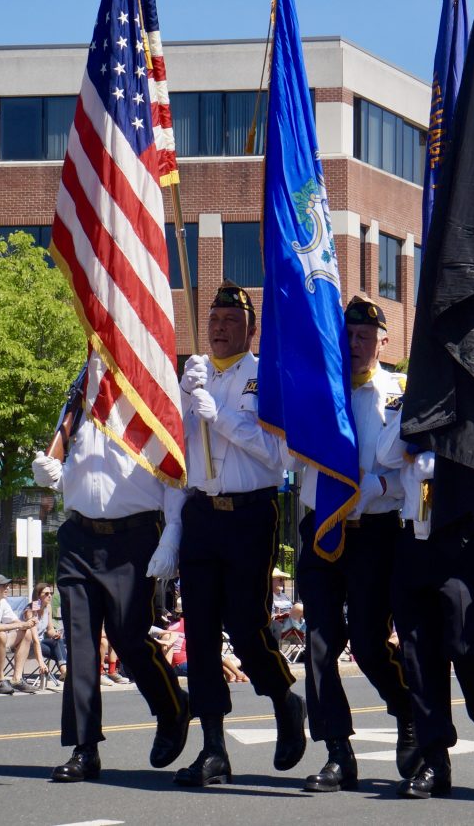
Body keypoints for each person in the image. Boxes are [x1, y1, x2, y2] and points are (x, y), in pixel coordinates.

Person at [148, 281, 306, 788]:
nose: (219, 329)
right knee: (199, 632)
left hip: (249, 514)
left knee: (246, 626)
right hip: (200, 516)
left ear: (250, 331)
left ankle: (285, 698)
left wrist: (226, 423)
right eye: (214, 322)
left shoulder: (265, 379)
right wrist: (181, 399)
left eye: (230, 323)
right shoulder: (191, 378)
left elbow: (280, 457)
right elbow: (175, 459)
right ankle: (213, 749)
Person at [31, 354, 190, 783]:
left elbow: (174, 472)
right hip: (79, 535)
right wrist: (54, 475)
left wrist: (172, 533)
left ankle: (173, 707)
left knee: (128, 637)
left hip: (132, 536)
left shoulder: (147, 397)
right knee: (81, 644)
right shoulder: (80, 395)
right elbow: (80, 468)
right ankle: (85, 749)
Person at [295, 296, 419, 794]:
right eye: (347, 336)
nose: (354, 344)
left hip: (374, 534)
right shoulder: (319, 392)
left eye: (365, 336)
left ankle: (407, 711)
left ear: (384, 342)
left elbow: (411, 469)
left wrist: (381, 488)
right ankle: (338, 752)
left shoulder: (400, 393)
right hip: (323, 527)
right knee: (320, 645)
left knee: (369, 643)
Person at [379, 408, 474, 800]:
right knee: (418, 657)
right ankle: (435, 760)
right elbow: (386, 454)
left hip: (463, 537)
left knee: (463, 644)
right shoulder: (414, 403)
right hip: (413, 538)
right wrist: (415, 412)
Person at [26, 581, 66, 684]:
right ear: (38, 596)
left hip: (42, 642)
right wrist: (41, 662)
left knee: (58, 641)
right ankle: (65, 671)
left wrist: (55, 634)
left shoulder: (48, 607)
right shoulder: (30, 610)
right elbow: (34, 639)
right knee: (60, 651)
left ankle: (65, 671)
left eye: (51, 593)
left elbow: (50, 630)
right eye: (46, 594)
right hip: (29, 644)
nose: (50, 596)